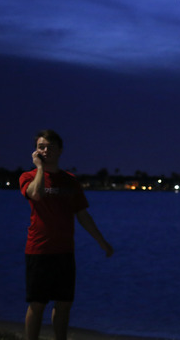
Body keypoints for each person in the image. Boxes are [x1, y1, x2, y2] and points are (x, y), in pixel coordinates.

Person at [19, 129, 114, 340]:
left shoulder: (70, 181)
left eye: (50, 147)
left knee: (64, 304)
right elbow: (36, 193)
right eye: (41, 147)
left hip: (64, 251)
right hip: (39, 250)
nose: (45, 150)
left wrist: (102, 242)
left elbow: (82, 215)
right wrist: (40, 168)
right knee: (37, 303)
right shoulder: (28, 177)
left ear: (60, 151)